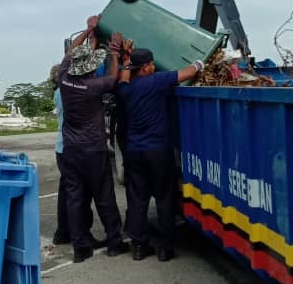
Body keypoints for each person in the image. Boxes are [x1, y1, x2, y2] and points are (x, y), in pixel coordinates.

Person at [117, 48, 203, 261]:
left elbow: (124, 75)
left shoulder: (124, 89)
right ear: (145, 67)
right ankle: (165, 248)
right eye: (152, 64)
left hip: (134, 151)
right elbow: (188, 73)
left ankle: (138, 246)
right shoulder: (156, 81)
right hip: (157, 151)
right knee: (164, 197)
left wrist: (126, 60)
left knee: (137, 200)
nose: (154, 66)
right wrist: (199, 64)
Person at [59, 16, 129, 263]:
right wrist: (114, 53)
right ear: (89, 67)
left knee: (75, 198)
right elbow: (113, 77)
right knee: (104, 196)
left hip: (71, 150)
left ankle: (81, 248)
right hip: (94, 150)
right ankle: (114, 241)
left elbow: (70, 52)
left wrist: (88, 31)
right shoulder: (94, 86)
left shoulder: (64, 79)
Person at [50, 64, 99, 248]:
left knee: (67, 194)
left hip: (62, 149)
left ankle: (63, 232)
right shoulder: (69, 92)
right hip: (73, 148)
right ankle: (82, 234)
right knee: (80, 196)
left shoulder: (58, 93)